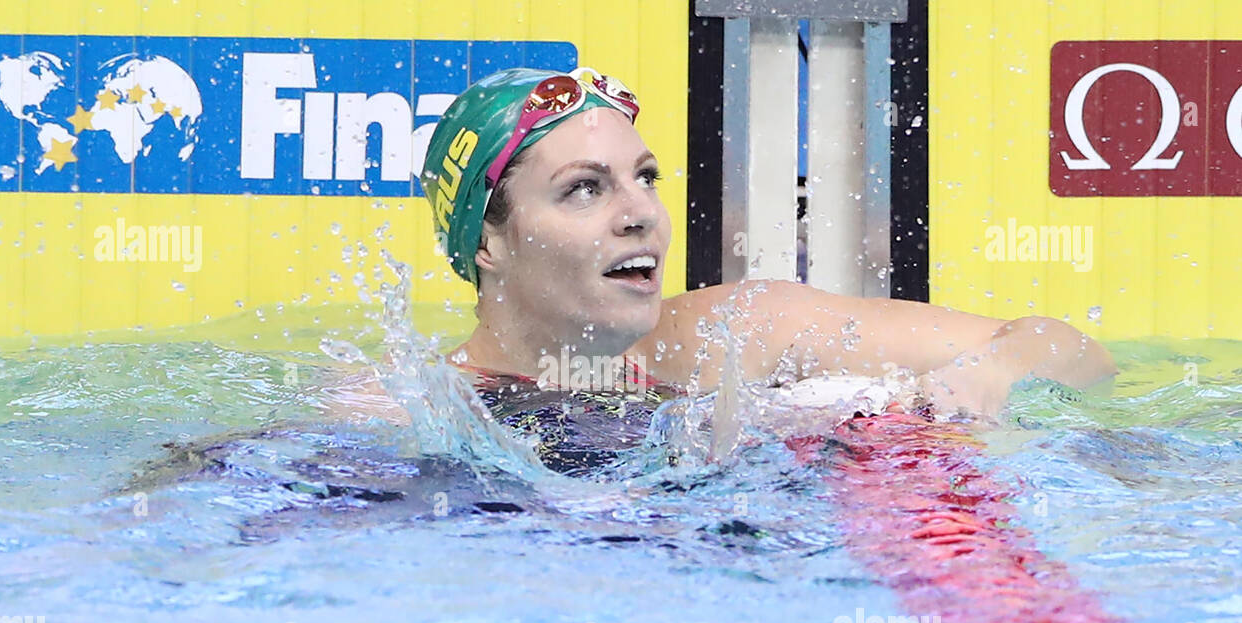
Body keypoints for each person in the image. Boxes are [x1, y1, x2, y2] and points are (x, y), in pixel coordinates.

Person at [414, 66, 1116, 422]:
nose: (642, 215)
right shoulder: (411, 409)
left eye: (646, 178)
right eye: (585, 189)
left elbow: (1076, 356)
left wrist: (992, 374)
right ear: (488, 243)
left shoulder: (740, 335)